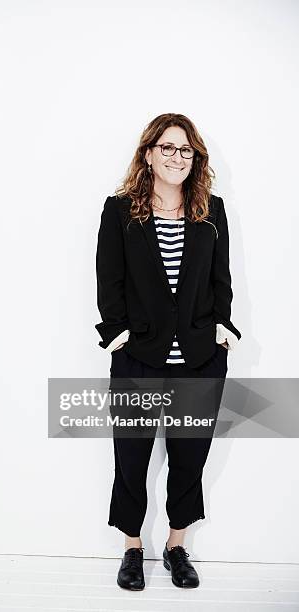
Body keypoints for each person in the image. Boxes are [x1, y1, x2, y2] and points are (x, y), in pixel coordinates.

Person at [95, 113, 241, 590]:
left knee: (189, 459)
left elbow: (222, 279)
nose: (179, 157)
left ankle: (178, 545)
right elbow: (109, 280)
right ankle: (132, 548)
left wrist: (222, 327)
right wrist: (116, 332)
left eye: (187, 150)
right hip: (137, 358)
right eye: (169, 147)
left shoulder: (210, 210)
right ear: (149, 154)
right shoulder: (120, 211)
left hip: (200, 361)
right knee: (132, 458)